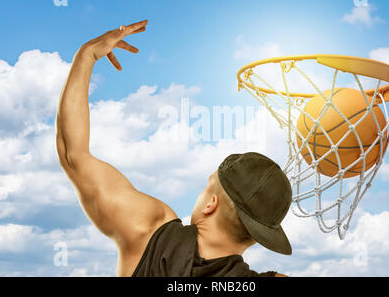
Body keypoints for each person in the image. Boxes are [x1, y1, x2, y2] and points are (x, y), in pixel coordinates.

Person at [56, 20, 292, 277]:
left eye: (207, 185)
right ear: (258, 236)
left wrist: (87, 54)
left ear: (210, 204)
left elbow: (74, 155)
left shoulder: (149, 230)